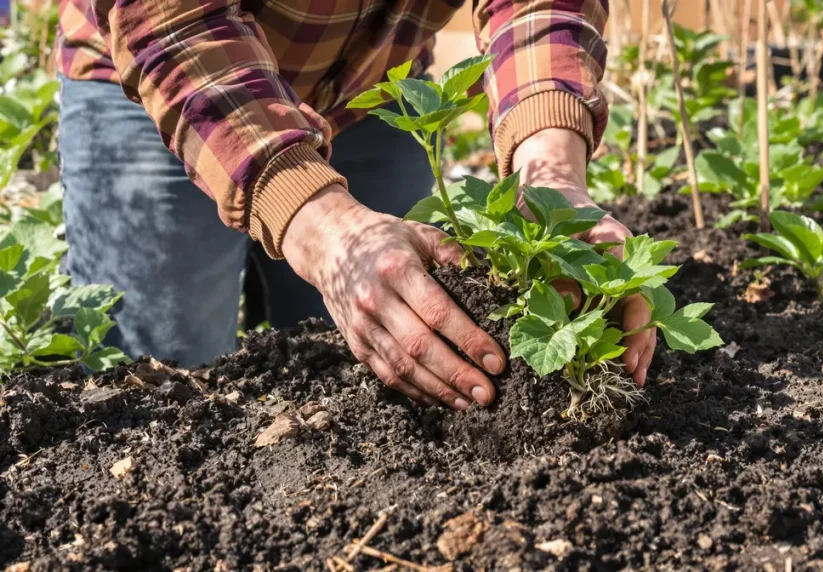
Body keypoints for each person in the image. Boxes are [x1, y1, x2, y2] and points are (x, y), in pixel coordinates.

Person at [55, 0, 655, 411]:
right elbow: (173, 18)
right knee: (164, 385)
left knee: (390, 352)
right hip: (166, 85)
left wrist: (548, 169)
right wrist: (322, 225)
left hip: (370, 88)